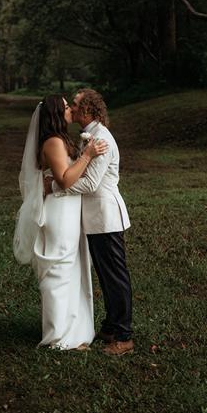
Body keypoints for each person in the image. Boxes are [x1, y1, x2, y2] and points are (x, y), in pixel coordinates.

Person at [11, 94, 108, 350]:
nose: (70, 111)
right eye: (66, 107)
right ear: (55, 113)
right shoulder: (53, 141)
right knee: (59, 271)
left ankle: (73, 332)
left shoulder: (59, 139)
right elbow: (65, 180)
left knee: (71, 269)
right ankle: (57, 337)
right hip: (59, 213)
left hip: (68, 209)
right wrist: (86, 156)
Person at [68, 88, 135, 356]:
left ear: (87, 109)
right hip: (96, 219)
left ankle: (123, 336)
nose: (71, 107)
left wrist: (58, 186)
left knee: (115, 277)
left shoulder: (101, 138)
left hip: (106, 217)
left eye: (75, 104)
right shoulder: (91, 136)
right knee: (106, 277)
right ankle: (109, 326)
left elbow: (91, 183)